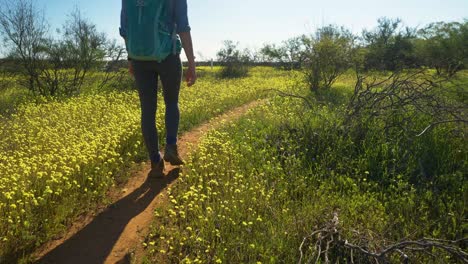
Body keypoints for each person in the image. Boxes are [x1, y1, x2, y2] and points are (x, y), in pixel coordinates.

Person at [120, 0, 196, 177]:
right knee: (171, 102)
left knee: (147, 111)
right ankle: (171, 146)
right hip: (167, 55)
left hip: (139, 58)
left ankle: (155, 161)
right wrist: (192, 63)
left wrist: (131, 57)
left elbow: (125, 29)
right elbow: (183, 27)